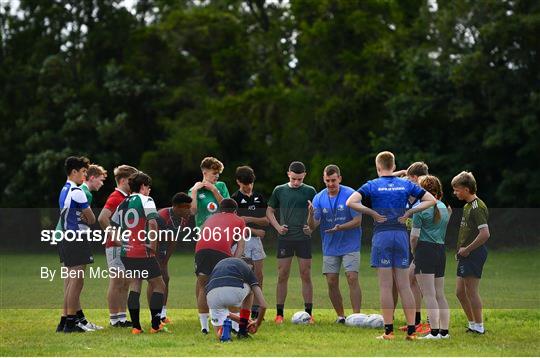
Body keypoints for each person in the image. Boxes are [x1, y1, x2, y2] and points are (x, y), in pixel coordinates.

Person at [346, 151, 436, 340]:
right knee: (404, 285)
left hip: (382, 235)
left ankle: (388, 332)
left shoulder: (372, 184)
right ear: (394, 166)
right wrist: (410, 212)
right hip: (400, 234)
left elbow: (351, 202)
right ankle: (412, 331)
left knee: (386, 286)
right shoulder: (406, 184)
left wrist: (371, 212)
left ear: (378, 167)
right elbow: (431, 200)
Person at [111, 171, 167, 334]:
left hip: (126, 253)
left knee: (135, 284)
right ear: (143, 186)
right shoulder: (147, 200)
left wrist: (122, 243)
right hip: (143, 251)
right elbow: (153, 224)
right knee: (159, 285)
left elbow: (112, 229)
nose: (149, 191)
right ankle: (156, 326)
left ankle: (136, 327)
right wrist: (153, 245)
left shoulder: (122, 203)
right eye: (148, 187)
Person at [307, 164, 362, 324]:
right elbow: (312, 226)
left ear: (340, 179)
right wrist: (310, 215)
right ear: (324, 180)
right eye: (327, 181)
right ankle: (341, 316)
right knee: (331, 281)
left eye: (333, 180)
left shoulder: (351, 194)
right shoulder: (319, 197)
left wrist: (340, 227)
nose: (330, 184)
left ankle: (356, 317)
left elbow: (358, 221)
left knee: (352, 277)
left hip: (350, 244)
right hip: (330, 246)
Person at [267, 161, 317, 324]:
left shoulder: (310, 191)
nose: (296, 182)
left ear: (304, 176)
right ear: (288, 174)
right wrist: (277, 227)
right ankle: (279, 314)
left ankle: (309, 314)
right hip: (285, 239)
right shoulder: (279, 190)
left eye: (300, 179)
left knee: (305, 275)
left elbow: (314, 218)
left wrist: (310, 223)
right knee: (282, 275)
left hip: (303, 239)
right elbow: (269, 211)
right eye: (294, 178)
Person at [56, 156, 96, 333]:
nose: (84, 176)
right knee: (76, 282)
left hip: (66, 237)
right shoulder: (77, 191)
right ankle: (71, 323)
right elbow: (92, 218)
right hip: (77, 237)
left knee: (70, 281)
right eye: (83, 172)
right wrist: (84, 216)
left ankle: (64, 321)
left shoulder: (64, 189)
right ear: (74, 172)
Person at [194, 198, 246, 334]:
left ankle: (204, 327)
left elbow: (202, 236)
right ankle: (234, 327)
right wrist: (234, 262)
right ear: (235, 211)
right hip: (221, 252)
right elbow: (241, 246)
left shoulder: (210, 218)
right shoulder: (239, 220)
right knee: (228, 286)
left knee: (203, 288)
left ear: (220, 210)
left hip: (201, 251)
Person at [410, 175, 451, 339]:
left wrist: (414, 253)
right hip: (440, 251)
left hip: (424, 250)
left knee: (429, 294)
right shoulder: (444, 207)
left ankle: (434, 332)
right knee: (440, 294)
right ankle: (444, 331)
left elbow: (414, 237)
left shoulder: (420, 208)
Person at [98, 164, 138, 328]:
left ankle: (121, 318)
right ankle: (114, 319)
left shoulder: (126, 197)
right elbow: (102, 218)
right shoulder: (116, 197)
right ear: (122, 180)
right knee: (116, 282)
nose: (133, 185)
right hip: (114, 247)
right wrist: (116, 237)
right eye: (131, 181)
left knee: (125, 282)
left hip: (123, 246)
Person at [394, 162, 431, 334]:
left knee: (425, 283)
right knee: (412, 281)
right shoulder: (408, 194)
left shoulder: (426, 197)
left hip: (422, 244)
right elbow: (382, 180)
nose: (405, 180)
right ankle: (417, 321)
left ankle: (431, 322)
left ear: (414, 178)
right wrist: (401, 172)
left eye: (408, 178)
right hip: (408, 243)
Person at [452, 171, 490, 335]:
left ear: (467, 189)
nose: (455, 193)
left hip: (474, 253)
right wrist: (461, 251)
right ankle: (472, 324)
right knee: (460, 292)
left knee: (471, 291)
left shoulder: (476, 207)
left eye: (457, 189)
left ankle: (479, 327)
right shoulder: (467, 206)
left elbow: (485, 234)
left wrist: (467, 249)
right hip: (465, 254)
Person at [231, 166, 269, 319]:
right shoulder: (234, 199)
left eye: (251, 183)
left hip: (256, 243)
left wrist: (250, 219)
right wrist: (254, 231)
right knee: (242, 274)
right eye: (245, 184)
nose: (248, 187)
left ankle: (256, 308)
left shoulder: (259, 197)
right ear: (238, 182)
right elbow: (233, 223)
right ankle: (240, 307)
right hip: (240, 241)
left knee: (258, 275)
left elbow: (266, 220)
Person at [206, 257, 268, 340]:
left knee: (219, 334)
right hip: (233, 293)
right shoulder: (249, 273)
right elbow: (263, 305)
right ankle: (242, 331)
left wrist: (238, 319)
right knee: (251, 290)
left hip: (212, 296)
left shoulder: (222, 264)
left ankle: (225, 333)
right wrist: (257, 323)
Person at [154, 192, 192, 323]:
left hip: (163, 248)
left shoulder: (183, 220)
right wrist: (158, 260)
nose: (190, 210)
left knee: (165, 278)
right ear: (179, 207)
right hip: (150, 247)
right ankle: (155, 315)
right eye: (187, 207)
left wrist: (165, 261)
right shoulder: (162, 216)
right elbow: (154, 239)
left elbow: (174, 240)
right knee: (155, 281)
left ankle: (162, 314)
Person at [189, 157, 230, 228]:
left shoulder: (221, 185)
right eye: (214, 173)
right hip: (203, 232)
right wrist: (194, 191)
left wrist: (214, 190)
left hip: (222, 230)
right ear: (204, 173)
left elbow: (228, 209)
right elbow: (193, 212)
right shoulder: (194, 190)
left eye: (218, 173)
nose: (217, 176)